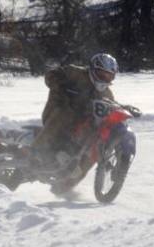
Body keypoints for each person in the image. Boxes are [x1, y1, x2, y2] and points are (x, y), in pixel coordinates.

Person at [29, 53, 119, 191]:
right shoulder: (75, 72)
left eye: (109, 76)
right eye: (102, 74)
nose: (105, 78)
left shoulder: (106, 94)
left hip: (79, 127)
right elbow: (52, 73)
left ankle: (66, 185)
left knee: (94, 147)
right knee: (67, 113)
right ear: (93, 69)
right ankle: (36, 151)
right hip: (57, 112)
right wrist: (58, 84)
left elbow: (112, 108)